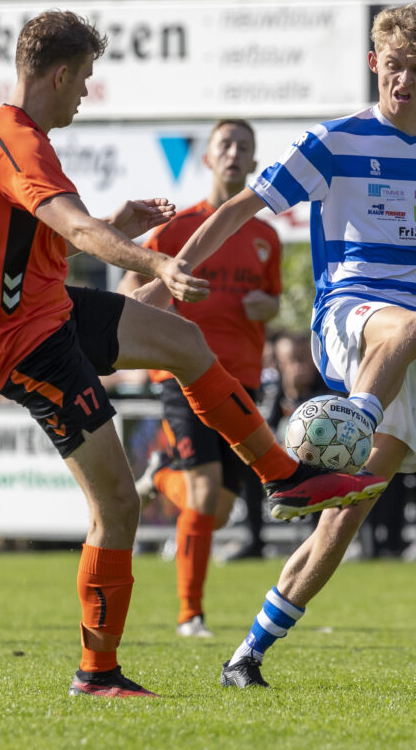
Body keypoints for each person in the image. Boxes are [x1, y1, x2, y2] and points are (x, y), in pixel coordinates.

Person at [0, 10, 384, 698]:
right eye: (84, 78)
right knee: (117, 506)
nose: (85, 93)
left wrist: (117, 227)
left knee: (184, 340)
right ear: (58, 74)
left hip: (49, 311)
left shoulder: (17, 137)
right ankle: (96, 672)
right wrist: (149, 256)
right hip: (25, 343)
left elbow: (34, 245)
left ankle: (283, 476)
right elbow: (74, 227)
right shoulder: (16, 142)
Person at [134, 4, 416, 688]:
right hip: (350, 318)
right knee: (412, 323)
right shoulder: (332, 141)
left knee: (344, 517)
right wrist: (169, 268)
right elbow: (242, 207)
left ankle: (248, 652)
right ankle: (349, 419)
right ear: (374, 64)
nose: (405, 80)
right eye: (394, 67)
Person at [120, 118, 282, 638]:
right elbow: (128, 291)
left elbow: (272, 301)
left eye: (245, 148)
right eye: (225, 145)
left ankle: (160, 475)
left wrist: (266, 305)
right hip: (183, 371)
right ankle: (191, 614)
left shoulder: (265, 236)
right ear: (208, 158)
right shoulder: (175, 228)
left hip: (243, 376)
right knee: (207, 493)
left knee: (223, 504)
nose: (235, 153)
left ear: (255, 164)